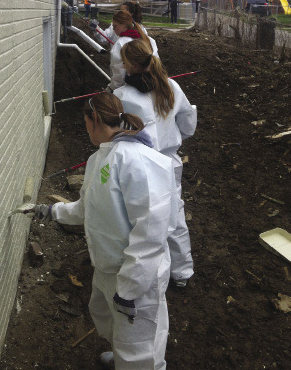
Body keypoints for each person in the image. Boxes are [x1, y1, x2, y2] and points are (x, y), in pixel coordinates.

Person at [18, 93, 177, 369]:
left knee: (140, 346)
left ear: (93, 121)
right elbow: (88, 207)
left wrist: (130, 288)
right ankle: (121, 357)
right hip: (108, 266)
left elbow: (151, 231)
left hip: (136, 274)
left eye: (85, 124)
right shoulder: (100, 159)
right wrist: (52, 211)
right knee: (109, 320)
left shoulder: (139, 161)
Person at [114, 39, 197, 287]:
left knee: (140, 220)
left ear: (129, 66)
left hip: (139, 166)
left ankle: (146, 274)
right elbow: (188, 124)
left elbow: (116, 134)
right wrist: (172, 139)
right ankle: (181, 273)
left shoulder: (122, 96)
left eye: (124, 61)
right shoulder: (171, 87)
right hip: (169, 163)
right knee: (174, 216)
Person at [107, 10, 158, 92]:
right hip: (153, 84)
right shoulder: (149, 40)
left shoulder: (120, 44)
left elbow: (119, 75)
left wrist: (112, 89)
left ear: (123, 25)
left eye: (115, 26)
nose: (113, 29)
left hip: (129, 89)